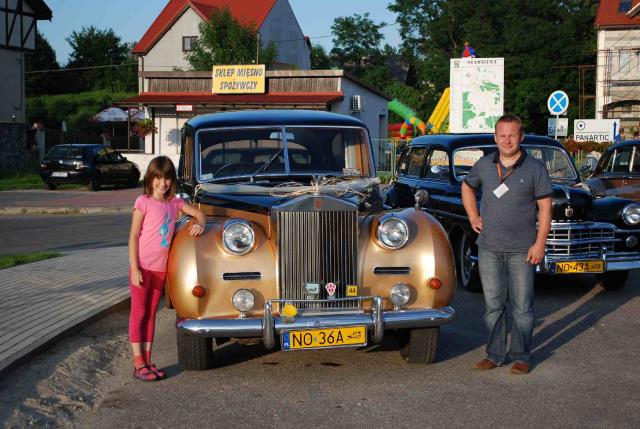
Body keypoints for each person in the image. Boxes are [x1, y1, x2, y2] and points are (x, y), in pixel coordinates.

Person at [461, 114, 552, 375]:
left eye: (512, 135)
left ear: (521, 137)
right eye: (502, 135)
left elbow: (546, 209)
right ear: (495, 137)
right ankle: (495, 354)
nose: (507, 140)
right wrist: (473, 216)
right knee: (493, 306)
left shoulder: (535, 168)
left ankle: (521, 356)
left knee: (522, 307)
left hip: (522, 249)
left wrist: (540, 244)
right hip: (489, 248)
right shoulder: (484, 164)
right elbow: (467, 187)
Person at [128, 156, 205, 381]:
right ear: (150, 178)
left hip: (160, 270)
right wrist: (134, 268)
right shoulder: (143, 202)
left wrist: (200, 224)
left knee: (151, 313)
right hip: (142, 267)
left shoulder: (175, 204)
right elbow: (133, 237)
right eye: (158, 178)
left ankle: (148, 360)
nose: (163, 183)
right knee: (139, 313)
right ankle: (138, 363)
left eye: (167, 178)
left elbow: (199, 214)